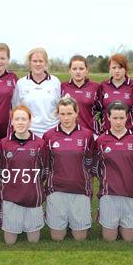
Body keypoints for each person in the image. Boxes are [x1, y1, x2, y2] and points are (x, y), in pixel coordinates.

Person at [43, 96, 95, 241]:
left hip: (80, 189)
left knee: (80, 238)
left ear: (76, 113)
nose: (66, 118)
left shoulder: (87, 135)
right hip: (56, 189)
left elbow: (90, 162)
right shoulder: (48, 136)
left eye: (69, 113)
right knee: (57, 238)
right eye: (62, 114)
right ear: (58, 114)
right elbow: (46, 164)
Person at [0, 105, 48, 244]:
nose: (20, 122)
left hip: (32, 196)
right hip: (10, 197)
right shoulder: (4, 143)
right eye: (16, 119)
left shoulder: (40, 143)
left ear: (30, 122)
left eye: (24, 119)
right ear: (12, 122)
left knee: (33, 241)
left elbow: (44, 171)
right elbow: (0, 171)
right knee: (10, 241)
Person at [93, 101, 133, 242]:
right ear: (108, 117)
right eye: (115, 118)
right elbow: (97, 170)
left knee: (129, 239)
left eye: (121, 118)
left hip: (130, 194)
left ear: (127, 117)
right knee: (109, 239)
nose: (118, 122)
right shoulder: (101, 140)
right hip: (109, 195)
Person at [12, 47, 61, 137]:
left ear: (45, 63)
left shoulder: (55, 82)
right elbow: (16, 109)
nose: (37, 64)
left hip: (52, 132)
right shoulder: (21, 83)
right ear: (29, 63)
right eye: (34, 61)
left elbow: (60, 108)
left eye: (41, 61)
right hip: (29, 132)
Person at [98, 54, 133, 133]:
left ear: (126, 68)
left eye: (120, 67)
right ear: (109, 68)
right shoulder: (103, 85)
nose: (117, 71)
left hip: (129, 133)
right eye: (113, 68)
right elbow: (99, 110)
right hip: (107, 132)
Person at [61, 55, 101, 134]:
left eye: (81, 69)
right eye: (74, 69)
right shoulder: (63, 87)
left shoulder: (95, 87)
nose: (78, 72)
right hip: (68, 133)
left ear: (87, 70)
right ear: (69, 70)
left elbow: (102, 110)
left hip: (90, 133)